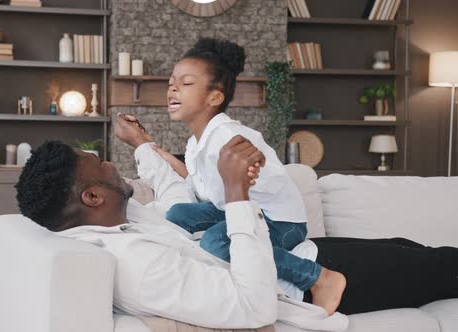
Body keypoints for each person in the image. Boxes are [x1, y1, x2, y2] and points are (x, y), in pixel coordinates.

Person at [15, 136, 458, 331]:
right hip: (302, 286)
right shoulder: (137, 265)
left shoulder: (122, 222)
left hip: (295, 255)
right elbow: (252, 306)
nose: (111, 164)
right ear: (92, 196)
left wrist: (144, 145)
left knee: (411, 249)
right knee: (442, 268)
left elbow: (172, 199)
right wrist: (235, 191)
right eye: (102, 164)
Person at [127, 37, 345, 315]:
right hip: (236, 211)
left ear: (214, 97)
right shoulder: (197, 142)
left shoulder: (230, 135)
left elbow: (253, 158)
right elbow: (194, 181)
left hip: (279, 221)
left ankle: (319, 277)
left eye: (186, 83)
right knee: (180, 213)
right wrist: (146, 143)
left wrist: (253, 166)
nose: (173, 87)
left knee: (215, 242)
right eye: (172, 81)